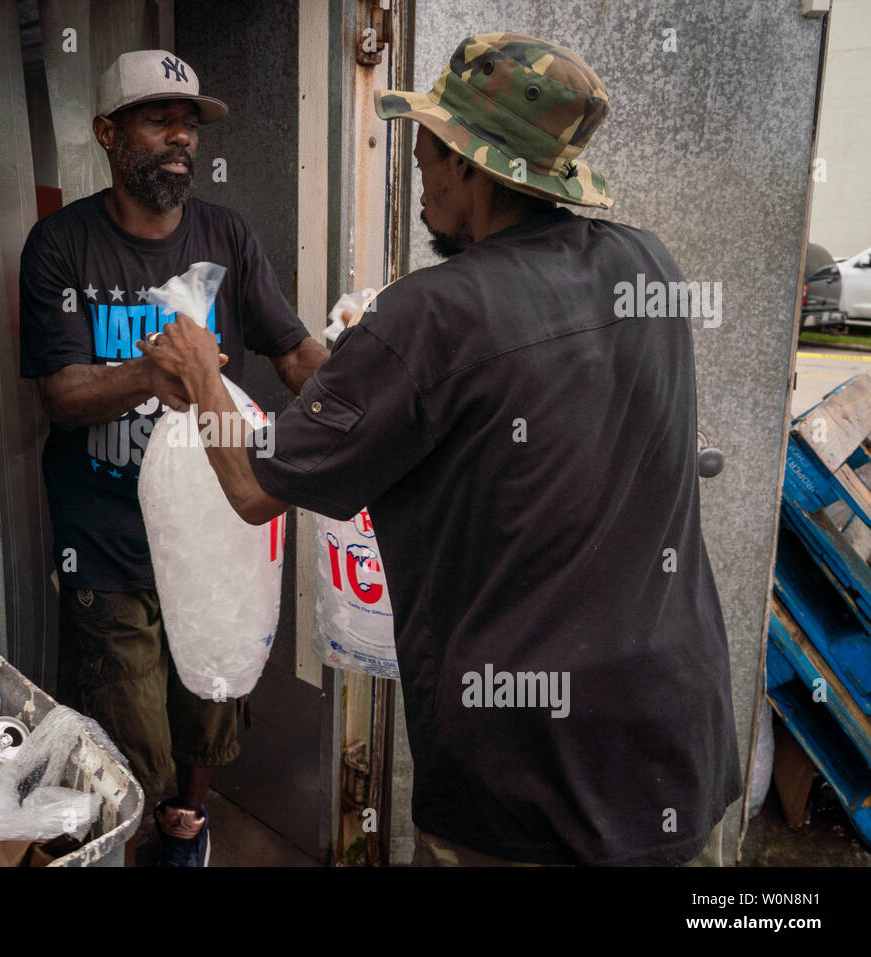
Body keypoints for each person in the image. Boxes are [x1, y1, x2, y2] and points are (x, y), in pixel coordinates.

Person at [138, 32, 741, 866]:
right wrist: (374, 364)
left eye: (424, 155)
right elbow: (514, 403)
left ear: (468, 164)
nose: (417, 176)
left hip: (529, 787)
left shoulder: (432, 315)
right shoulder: (647, 263)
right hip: (678, 746)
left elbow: (250, 487)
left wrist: (203, 376)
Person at [18, 48, 327, 867]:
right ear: (107, 133)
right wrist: (151, 373)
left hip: (210, 538)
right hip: (107, 539)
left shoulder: (227, 236)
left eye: (188, 122)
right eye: (159, 120)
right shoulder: (60, 247)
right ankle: (127, 835)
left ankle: (187, 828)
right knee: (132, 741)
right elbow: (61, 394)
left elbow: (294, 352)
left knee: (210, 707)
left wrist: (365, 407)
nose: (180, 137)